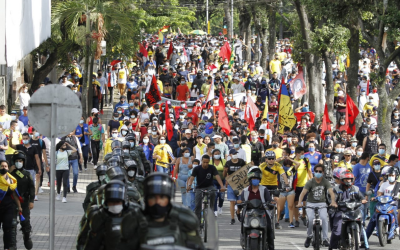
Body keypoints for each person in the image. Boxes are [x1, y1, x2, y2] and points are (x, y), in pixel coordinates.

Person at [120, 173, 204, 249]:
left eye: (162, 197)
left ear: (169, 199)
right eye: (152, 197)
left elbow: (198, 245)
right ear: (146, 199)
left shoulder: (184, 219)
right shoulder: (134, 222)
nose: (158, 202)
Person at [84, 180, 140, 250]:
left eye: (117, 202)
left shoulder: (134, 215)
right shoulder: (100, 218)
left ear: (123, 202)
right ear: (106, 203)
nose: (114, 204)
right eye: (111, 202)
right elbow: (91, 245)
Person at [296, 164, 337, 248]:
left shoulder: (325, 181)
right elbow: (303, 193)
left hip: (322, 203)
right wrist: (299, 202)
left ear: (323, 172)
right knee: (310, 219)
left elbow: (331, 192)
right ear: (314, 172)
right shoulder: (310, 182)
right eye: (316, 171)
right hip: (310, 203)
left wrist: (333, 201)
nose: (318, 173)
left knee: (324, 218)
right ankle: (309, 236)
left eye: (320, 171)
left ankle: (325, 238)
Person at [329, 170, 369, 250]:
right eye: (346, 179)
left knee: (362, 227)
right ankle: (332, 247)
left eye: (350, 179)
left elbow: (362, 198)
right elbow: (332, 200)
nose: (348, 181)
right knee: (337, 230)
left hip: (354, 211)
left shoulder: (356, 189)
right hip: (341, 211)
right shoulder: (336, 189)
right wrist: (334, 203)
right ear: (342, 180)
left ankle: (366, 245)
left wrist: (363, 200)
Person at [237, 167, 275, 250]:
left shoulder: (264, 189)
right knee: (243, 226)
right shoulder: (245, 190)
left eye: (257, 179)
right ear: (250, 179)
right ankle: (243, 239)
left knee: (269, 228)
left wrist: (272, 203)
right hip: (248, 213)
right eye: (254, 178)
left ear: (260, 179)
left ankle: (271, 247)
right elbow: (241, 203)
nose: (255, 180)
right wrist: (238, 211)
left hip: (262, 212)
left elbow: (269, 200)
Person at [187, 154, 226, 223]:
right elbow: (192, 177)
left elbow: (217, 176)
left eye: (207, 162)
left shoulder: (212, 168)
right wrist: (189, 185)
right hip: (199, 187)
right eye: (204, 162)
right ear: (201, 161)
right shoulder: (197, 168)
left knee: (214, 193)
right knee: (198, 205)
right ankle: (198, 222)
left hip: (209, 186)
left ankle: (211, 209)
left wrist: (222, 186)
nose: (205, 164)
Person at [259, 150, 291, 229]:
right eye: (269, 158)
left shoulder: (277, 165)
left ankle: (277, 221)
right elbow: (257, 174)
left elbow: (283, 175)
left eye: (272, 158)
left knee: (277, 201)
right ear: (266, 159)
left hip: (273, 185)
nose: (271, 160)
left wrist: (287, 185)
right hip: (263, 185)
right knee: (261, 201)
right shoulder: (262, 166)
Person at [9, 151, 35, 249]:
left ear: (24, 162)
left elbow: (32, 188)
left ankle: (27, 238)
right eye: (17, 161)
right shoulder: (9, 173)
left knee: (25, 223)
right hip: (12, 202)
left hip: (24, 202)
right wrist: (8, 172)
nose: (18, 162)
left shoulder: (27, 174)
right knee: (12, 224)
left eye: (20, 161)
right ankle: (12, 244)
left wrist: (31, 201)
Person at [0, 160, 23, 250]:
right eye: (2, 166)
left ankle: (7, 248)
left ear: (8, 168)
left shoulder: (12, 180)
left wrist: (19, 206)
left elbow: (14, 194)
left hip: (8, 207)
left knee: (7, 228)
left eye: (5, 166)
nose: (3, 168)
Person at [224, 149, 246, 224]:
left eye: (236, 153)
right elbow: (224, 175)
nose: (235, 155)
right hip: (231, 184)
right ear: (230, 155)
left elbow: (245, 171)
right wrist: (225, 172)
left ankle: (238, 212)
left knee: (240, 202)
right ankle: (232, 218)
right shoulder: (228, 163)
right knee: (232, 202)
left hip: (240, 184)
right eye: (233, 154)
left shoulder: (241, 162)